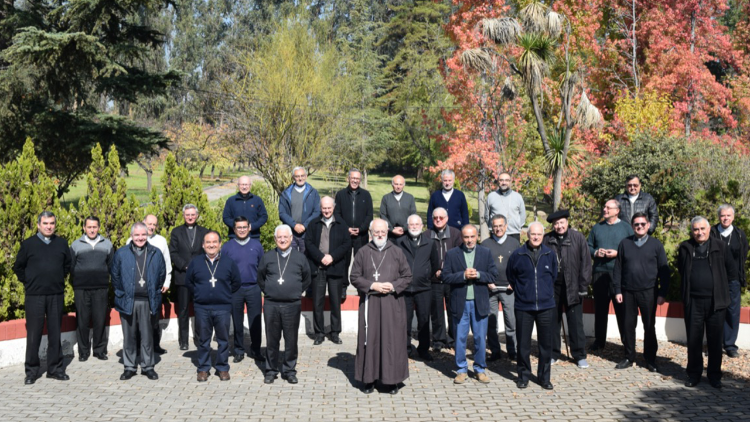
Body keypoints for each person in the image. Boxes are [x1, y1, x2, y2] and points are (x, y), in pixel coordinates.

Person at [350, 219, 412, 395]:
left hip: (392, 304)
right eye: (376, 232)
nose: (379, 235)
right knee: (370, 340)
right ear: (370, 233)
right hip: (371, 304)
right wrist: (372, 285)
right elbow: (354, 276)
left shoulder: (397, 252)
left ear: (387, 232)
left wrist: (392, 286)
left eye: (383, 232)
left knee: (391, 341)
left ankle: (391, 381)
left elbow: (407, 276)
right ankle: (369, 379)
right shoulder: (362, 252)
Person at [14, 211, 72, 384]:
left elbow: (67, 265)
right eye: (45, 223)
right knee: (34, 334)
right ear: (38, 224)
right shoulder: (28, 244)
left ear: (55, 224)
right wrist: (31, 281)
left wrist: (57, 279)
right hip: (35, 296)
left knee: (55, 332)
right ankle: (32, 371)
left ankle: (54, 369)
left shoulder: (62, 243)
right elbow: (18, 267)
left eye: (52, 223)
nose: (49, 226)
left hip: (55, 294)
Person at [678, 217, 732, 389]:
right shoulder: (685, 247)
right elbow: (682, 270)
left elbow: (730, 271)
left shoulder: (720, 246)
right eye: (695, 229)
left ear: (709, 229)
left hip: (715, 303)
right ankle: (694, 374)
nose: (699, 232)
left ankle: (714, 375)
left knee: (715, 341)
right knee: (693, 340)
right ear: (692, 231)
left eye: (702, 229)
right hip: (693, 301)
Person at [613, 212, 670, 372]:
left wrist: (662, 294)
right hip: (628, 292)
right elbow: (618, 269)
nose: (639, 227)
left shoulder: (656, 245)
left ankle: (650, 359)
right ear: (632, 226)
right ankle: (629, 356)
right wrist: (617, 290)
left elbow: (664, 272)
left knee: (649, 326)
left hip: (649, 292)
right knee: (628, 325)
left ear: (648, 225)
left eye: (643, 224)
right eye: (636, 224)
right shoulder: (624, 244)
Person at [443, 225, 499, 384]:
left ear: (477, 236)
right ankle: (461, 369)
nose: (469, 240)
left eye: (472, 237)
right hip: (460, 303)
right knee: (460, 338)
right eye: (466, 237)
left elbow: (493, 274)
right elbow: (446, 277)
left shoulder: (485, 253)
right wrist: (462, 275)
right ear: (462, 237)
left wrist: (479, 275)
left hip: (479, 303)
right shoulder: (452, 254)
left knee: (480, 338)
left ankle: (480, 368)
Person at [111, 222, 166, 381]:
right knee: (129, 336)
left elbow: (161, 274)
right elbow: (115, 276)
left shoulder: (155, 253)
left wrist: (155, 291)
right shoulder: (121, 253)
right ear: (131, 236)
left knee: (147, 336)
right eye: (137, 235)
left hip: (148, 301)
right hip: (128, 300)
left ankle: (148, 366)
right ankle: (129, 367)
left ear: (147, 235)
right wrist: (121, 292)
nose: (140, 238)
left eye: (143, 235)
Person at [506, 221, 558, 390]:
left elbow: (554, 276)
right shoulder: (517, 255)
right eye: (533, 234)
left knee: (545, 345)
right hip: (523, 307)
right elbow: (511, 276)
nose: (536, 237)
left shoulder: (550, 254)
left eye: (539, 234)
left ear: (543, 236)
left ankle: (544, 378)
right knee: (523, 345)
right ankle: (523, 376)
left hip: (546, 307)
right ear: (527, 235)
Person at [258, 225, 312, 385]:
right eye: (279, 237)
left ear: (291, 239)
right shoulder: (268, 257)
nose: (282, 240)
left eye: (285, 237)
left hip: (292, 305)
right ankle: (271, 370)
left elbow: (307, 278)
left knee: (291, 340)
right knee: (272, 340)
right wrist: (270, 290)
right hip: (271, 304)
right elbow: (260, 278)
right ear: (275, 239)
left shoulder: (300, 258)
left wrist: (294, 291)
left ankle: (289, 371)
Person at [186, 231, 241, 382]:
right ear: (203, 245)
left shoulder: (228, 262)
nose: (211, 245)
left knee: (223, 340)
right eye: (208, 242)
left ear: (219, 244)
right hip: (202, 308)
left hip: (222, 307)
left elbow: (236, 282)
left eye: (214, 242)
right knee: (203, 340)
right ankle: (203, 368)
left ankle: (222, 368)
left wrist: (224, 294)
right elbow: (189, 282)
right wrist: (199, 294)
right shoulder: (196, 262)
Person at [543, 210, 592, 369]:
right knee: (552, 322)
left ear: (567, 222)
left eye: (562, 222)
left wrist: (583, 286)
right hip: (552, 287)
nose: (559, 226)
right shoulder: (547, 239)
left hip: (574, 286)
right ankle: (553, 353)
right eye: (556, 223)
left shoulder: (578, 238)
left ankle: (579, 355)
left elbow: (586, 263)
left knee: (576, 323)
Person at [587, 200, 633, 351]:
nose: (604, 209)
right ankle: (599, 341)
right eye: (604, 207)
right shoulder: (597, 228)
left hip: (618, 274)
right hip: (599, 272)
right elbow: (588, 246)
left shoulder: (626, 228)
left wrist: (617, 254)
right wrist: (596, 252)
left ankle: (626, 342)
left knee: (621, 310)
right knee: (600, 309)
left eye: (608, 207)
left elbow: (633, 248)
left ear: (617, 210)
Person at [305, 196, 352, 345]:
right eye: (324, 208)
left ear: (333, 207)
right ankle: (319, 333)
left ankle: (335, 333)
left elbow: (346, 244)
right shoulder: (313, 224)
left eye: (329, 208)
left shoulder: (341, 224)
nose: (326, 210)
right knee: (317, 302)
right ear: (320, 208)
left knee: (335, 302)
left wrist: (332, 256)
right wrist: (320, 257)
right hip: (318, 268)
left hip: (335, 268)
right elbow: (309, 243)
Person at [69, 216, 114, 362]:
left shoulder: (107, 244)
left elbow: (111, 265)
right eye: (89, 227)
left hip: (101, 288)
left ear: (99, 228)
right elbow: (71, 267)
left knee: (100, 319)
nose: (92, 230)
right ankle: (83, 352)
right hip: (81, 289)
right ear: (84, 228)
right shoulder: (76, 245)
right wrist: (77, 282)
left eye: (95, 227)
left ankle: (99, 350)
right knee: (82, 320)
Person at [395, 215, 438, 361]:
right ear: (407, 226)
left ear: (422, 225)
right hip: (404, 288)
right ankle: (405, 348)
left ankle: (423, 349)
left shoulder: (430, 243)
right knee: (404, 320)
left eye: (417, 224)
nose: (414, 227)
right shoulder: (399, 242)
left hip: (424, 288)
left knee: (424, 320)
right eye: (411, 224)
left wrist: (425, 275)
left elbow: (435, 264)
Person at [221, 217, 264, 363]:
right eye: (239, 227)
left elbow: (262, 267)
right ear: (234, 229)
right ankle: (239, 350)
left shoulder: (257, 245)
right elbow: (224, 269)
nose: (242, 230)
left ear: (249, 227)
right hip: (235, 290)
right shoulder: (227, 247)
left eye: (244, 227)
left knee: (255, 322)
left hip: (253, 288)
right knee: (237, 322)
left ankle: (256, 349)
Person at [710, 204, 748, 359]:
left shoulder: (739, 234)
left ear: (733, 217)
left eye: (728, 215)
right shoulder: (711, 232)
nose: (725, 218)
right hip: (715, 278)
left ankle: (730, 345)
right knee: (715, 310)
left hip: (733, 279)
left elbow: (743, 253)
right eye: (722, 215)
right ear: (718, 217)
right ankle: (715, 343)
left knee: (732, 312)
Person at [480, 214, 520, 362]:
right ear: (492, 227)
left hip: (509, 289)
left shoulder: (514, 243)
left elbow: (519, 266)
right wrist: (486, 282)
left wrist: (514, 282)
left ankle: (512, 351)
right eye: (495, 226)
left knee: (511, 321)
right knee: (492, 322)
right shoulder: (485, 244)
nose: (498, 228)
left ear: (506, 225)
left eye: (500, 225)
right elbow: (480, 266)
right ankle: (495, 351)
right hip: (491, 289)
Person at [169, 204, 210, 351]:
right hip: (183, 276)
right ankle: (183, 341)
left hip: (200, 278)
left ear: (197, 215)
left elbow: (208, 251)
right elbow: (173, 253)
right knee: (184, 310)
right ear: (183, 215)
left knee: (199, 309)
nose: (190, 217)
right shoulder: (176, 232)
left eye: (193, 214)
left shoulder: (205, 232)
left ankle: (200, 339)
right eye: (188, 215)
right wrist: (185, 266)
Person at [429, 207, 463, 351]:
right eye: (435, 217)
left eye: (441, 217)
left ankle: (453, 338)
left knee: (453, 310)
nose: (438, 220)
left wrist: (447, 272)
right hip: (434, 280)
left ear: (447, 219)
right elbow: (425, 258)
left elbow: (459, 255)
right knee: (436, 311)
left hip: (451, 280)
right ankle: (438, 339)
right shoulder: (427, 235)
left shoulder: (456, 234)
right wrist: (434, 271)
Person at [142, 214, 172, 354]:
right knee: (139, 319)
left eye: (154, 224)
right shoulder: (133, 239)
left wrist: (167, 281)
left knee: (155, 318)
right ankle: (139, 347)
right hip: (140, 288)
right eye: (149, 223)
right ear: (143, 223)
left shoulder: (161, 240)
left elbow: (167, 262)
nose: (152, 227)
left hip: (156, 287)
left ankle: (155, 345)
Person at [334, 168, 373, 261]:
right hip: (344, 235)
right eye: (353, 178)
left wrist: (361, 229)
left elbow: (369, 215)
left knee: (361, 264)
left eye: (357, 179)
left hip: (361, 236)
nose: (355, 181)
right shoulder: (340, 195)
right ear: (348, 178)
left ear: (360, 180)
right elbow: (337, 214)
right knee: (343, 264)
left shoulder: (366, 195)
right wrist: (346, 228)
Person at [278, 167, 321, 252]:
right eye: (297, 176)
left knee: (306, 260)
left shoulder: (313, 193)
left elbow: (317, 212)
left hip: (308, 232)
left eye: (302, 176)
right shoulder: (286, 193)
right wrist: (294, 225)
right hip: (290, 232)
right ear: (293, 177)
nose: (300, 178)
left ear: (306, 176)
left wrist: (304, 225)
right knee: (291, 259)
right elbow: (282, 213)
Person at [485, 172, 526, 241]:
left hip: (513, 233)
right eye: (501, 180)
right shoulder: (491, 196)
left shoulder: (518, 197)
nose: (504, 183)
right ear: (498, 182)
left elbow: (522, 215)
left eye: (507, 180)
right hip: (496, 233)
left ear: (510, 182)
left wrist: (518, 227)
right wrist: (492, 228)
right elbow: (487, 216)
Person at [380, 175, 417, 239]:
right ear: (392, 184)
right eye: (396, 184)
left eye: (400, 184)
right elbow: (383, 215)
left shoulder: (410, 198)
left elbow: (413, 215)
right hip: (390, 235)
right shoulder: (386, 198)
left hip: (406, 234)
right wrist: (391, 229)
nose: (398, 186)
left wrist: (404, 228)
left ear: (404, 185)